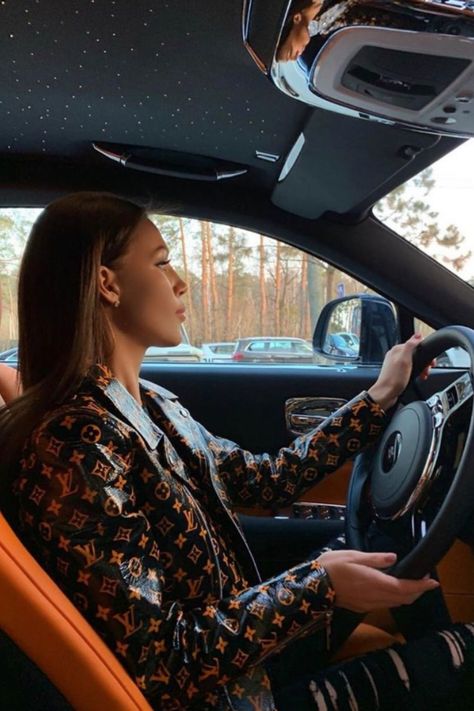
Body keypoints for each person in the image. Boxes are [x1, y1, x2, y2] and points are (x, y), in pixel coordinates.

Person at [2, 192, 474, 711]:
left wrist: (381, 396)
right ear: (107, 282)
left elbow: (266, 480)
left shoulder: (151, 402)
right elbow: (164, 662)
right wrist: (319, 589)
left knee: (385, 548)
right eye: (161, 263)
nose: (181, 281)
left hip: (237, 658)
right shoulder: (75, 444)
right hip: (224, 696)